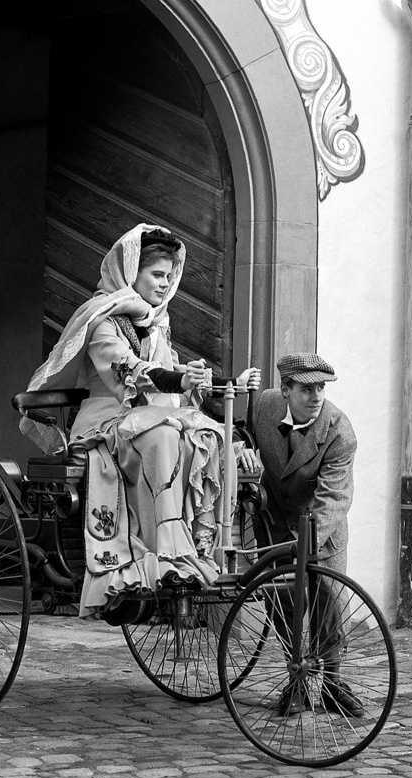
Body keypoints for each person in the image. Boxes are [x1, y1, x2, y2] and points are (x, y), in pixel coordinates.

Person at [20, 223, 259, 618]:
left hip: (148, 420)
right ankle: (165, 552)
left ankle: (208, 545)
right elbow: (131, 372)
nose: (165, 285)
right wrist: (178, 378)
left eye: (170, 276)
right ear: (132, 273)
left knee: (203, 436)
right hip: (106, 423)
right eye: (157, 275)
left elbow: (171, 374)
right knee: (165, 434)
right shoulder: (103, 322)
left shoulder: (158, 324)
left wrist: (217, 381)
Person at [240, 352, 364, 717]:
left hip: (321, 525)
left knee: (327, 597)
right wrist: (241, 445)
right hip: (276, 521)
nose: (316, 397)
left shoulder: (339, 432)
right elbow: (232, 422)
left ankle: (332, 683)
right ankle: (295, 681)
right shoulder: (263, 406)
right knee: (283, 602)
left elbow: (334, 498)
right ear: (285, 389)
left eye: (321, 388)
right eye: (306, 389)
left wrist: (304, 546)